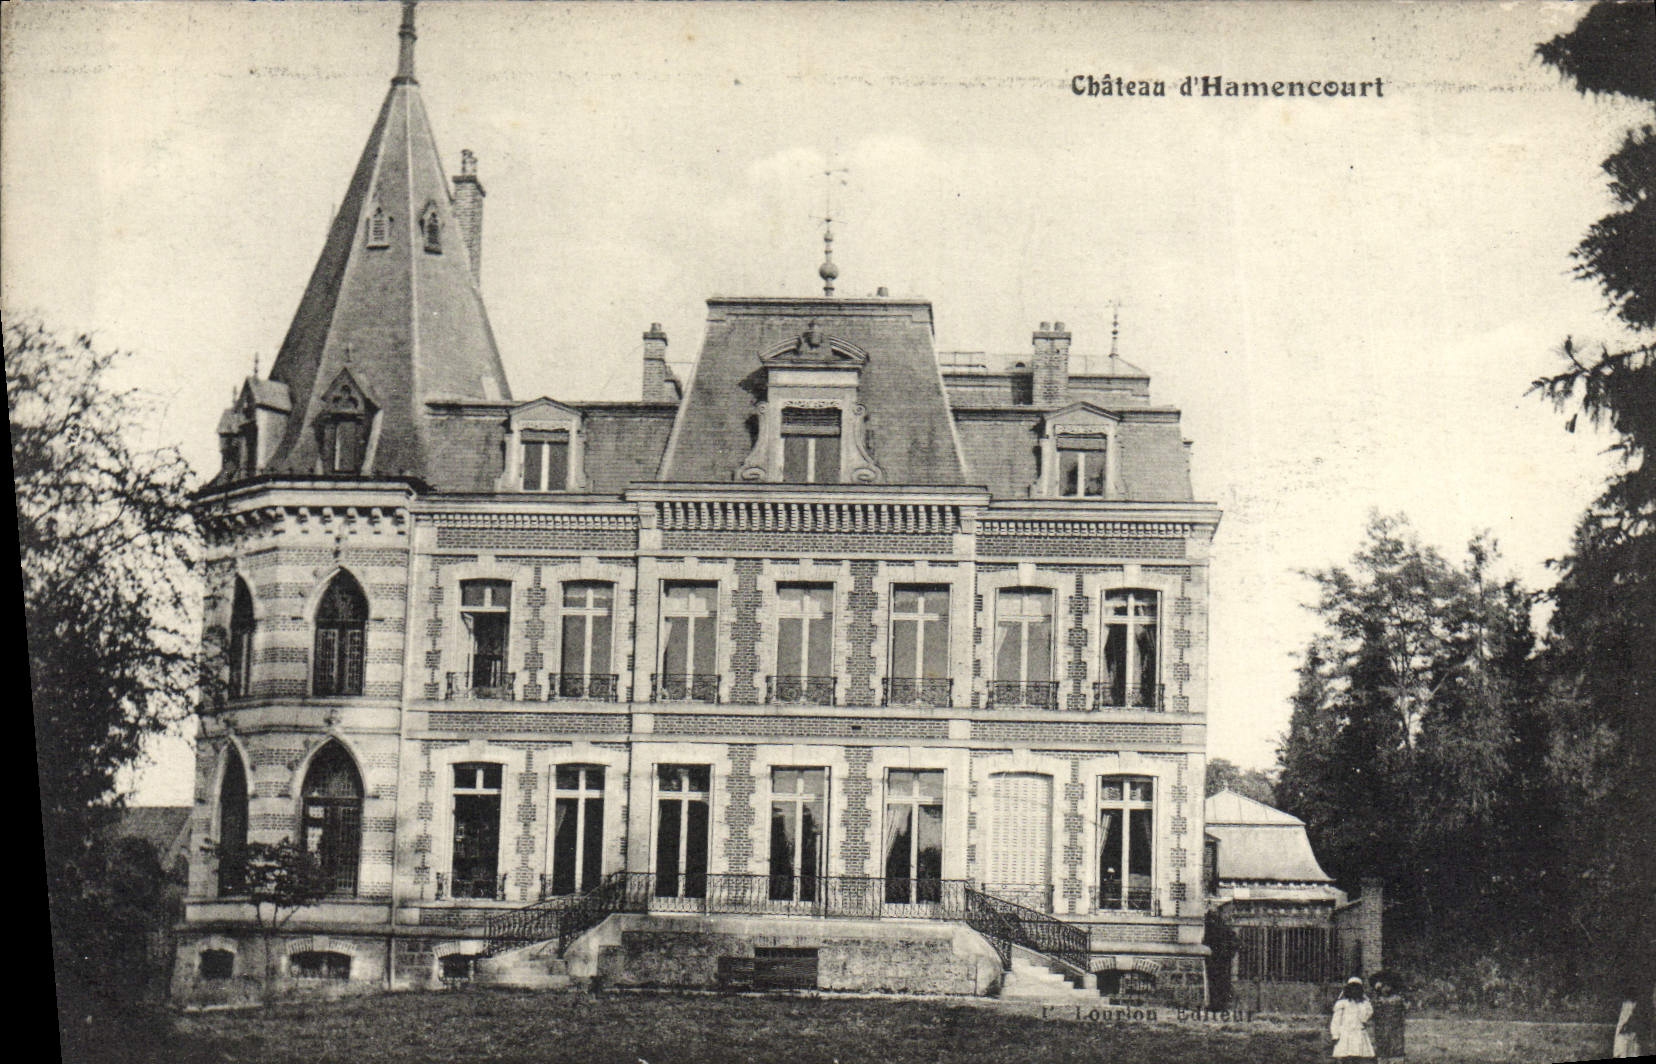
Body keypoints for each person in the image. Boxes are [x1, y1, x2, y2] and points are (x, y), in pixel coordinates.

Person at [1331, 976, 1376, 1059]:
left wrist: (1364, 1002)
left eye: (1357, 989)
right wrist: (1335, 1035)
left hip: (1359, 1034)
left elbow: (1366, 1016)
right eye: (1352, 988)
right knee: (1346, 1057)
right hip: (1345, 1035)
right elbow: (1336, 1021)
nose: (1354, 991)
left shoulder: (1364, 1004)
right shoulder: (1342, 1003)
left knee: (1358, 1056)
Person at [1369, 971, 1405, 1062]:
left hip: (1394, 1028)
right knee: (1383, 1044)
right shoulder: (1378, 1001)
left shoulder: (1397, 999)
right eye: (1384, 987)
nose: (1386, 989)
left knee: (1395, 1045)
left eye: (1388, 986)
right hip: (1382, 1028)